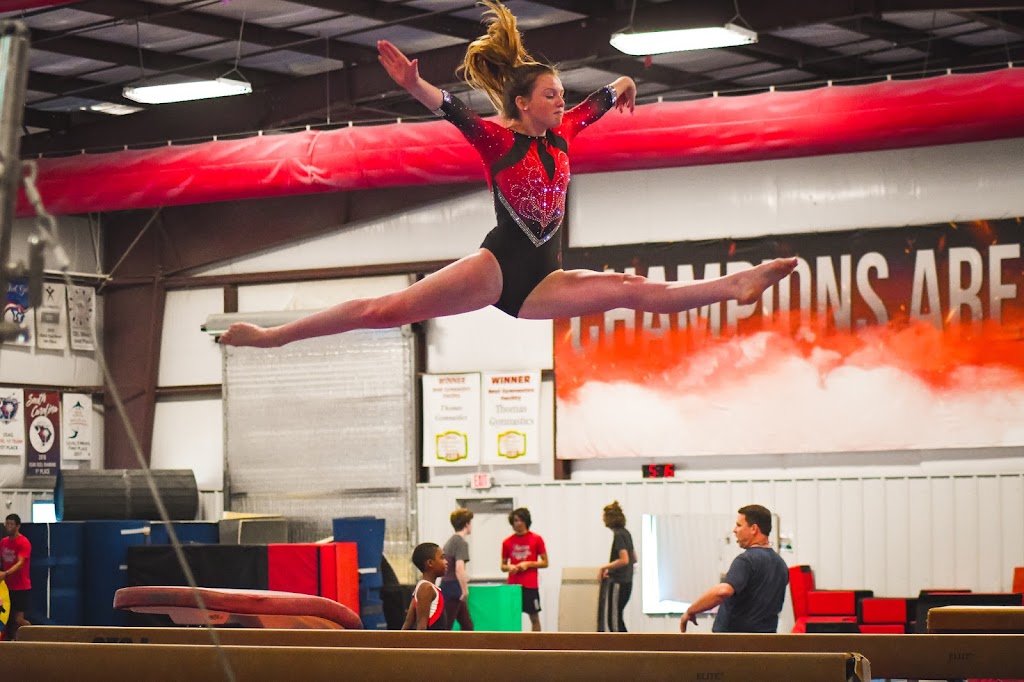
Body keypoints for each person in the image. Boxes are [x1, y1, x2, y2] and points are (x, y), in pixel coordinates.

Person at [217, 0, 797, 349]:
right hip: (497, 268)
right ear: (523, 103)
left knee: (631, 290)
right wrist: (411, 85)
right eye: (550, 95)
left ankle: (736, 285)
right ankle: (272, 337)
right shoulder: (497, 138)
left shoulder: (564, 128)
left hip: (543, 277)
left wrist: (623, 84)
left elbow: (601, 99)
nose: (559, 101)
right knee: (382, 311)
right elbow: (449, 108)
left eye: (561, 94)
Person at [680, 504, 789, 633]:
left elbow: (723, 591)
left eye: (739, 525)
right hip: (766, 642)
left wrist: (691, 610)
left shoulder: (746, 560)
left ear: (754, 528)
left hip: (735, 644)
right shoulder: (781, 564)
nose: (734, 530)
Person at [501, 506, 547, 631]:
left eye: (521, 520)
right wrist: (509, 567)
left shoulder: (536, 539)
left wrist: (528, 564)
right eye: (515, 521)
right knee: (512, 617)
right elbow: (503, 566)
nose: (518, 523)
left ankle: (536, 646)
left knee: (534, 617)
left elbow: (545, 562)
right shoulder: (507, 542)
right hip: (514, 586)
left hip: (530, 585)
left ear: (526, 522)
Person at [597, 500, 635, 632]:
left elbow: (624, 559)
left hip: (618, 583)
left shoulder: (619, 535)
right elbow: (634, 558)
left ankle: (620, 649)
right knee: (618, 617)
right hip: (628, 582)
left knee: (612, 619)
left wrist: (604, 567)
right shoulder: (626, 533)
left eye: (604, 517)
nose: (603, 519)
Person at [439, 507, 474, 630]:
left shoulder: (450, 541)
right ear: (467, 524)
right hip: (454, 587)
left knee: (467, 625)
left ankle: (468, 648)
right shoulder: (461, 543)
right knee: (446, 625)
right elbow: (459, 568)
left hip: (447, 585)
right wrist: (464, 590)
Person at [403, 542, 449, 631]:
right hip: (430, 643)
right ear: (430, 563)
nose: (446, 562)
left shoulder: (423, 587)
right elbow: (420, 626)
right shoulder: (426, 588)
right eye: (442, 558)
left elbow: (408, 623)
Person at [0, 513, 31, 640]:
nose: (8, 526)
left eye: (11, 524)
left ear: (18, 526)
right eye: (7, 524)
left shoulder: (23, 542)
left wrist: (6, 573)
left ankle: (33, 635)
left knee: (18, 619)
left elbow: (20, 563)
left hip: (21, 587)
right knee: (7, 620)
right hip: (6, 588)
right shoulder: (3, 542)